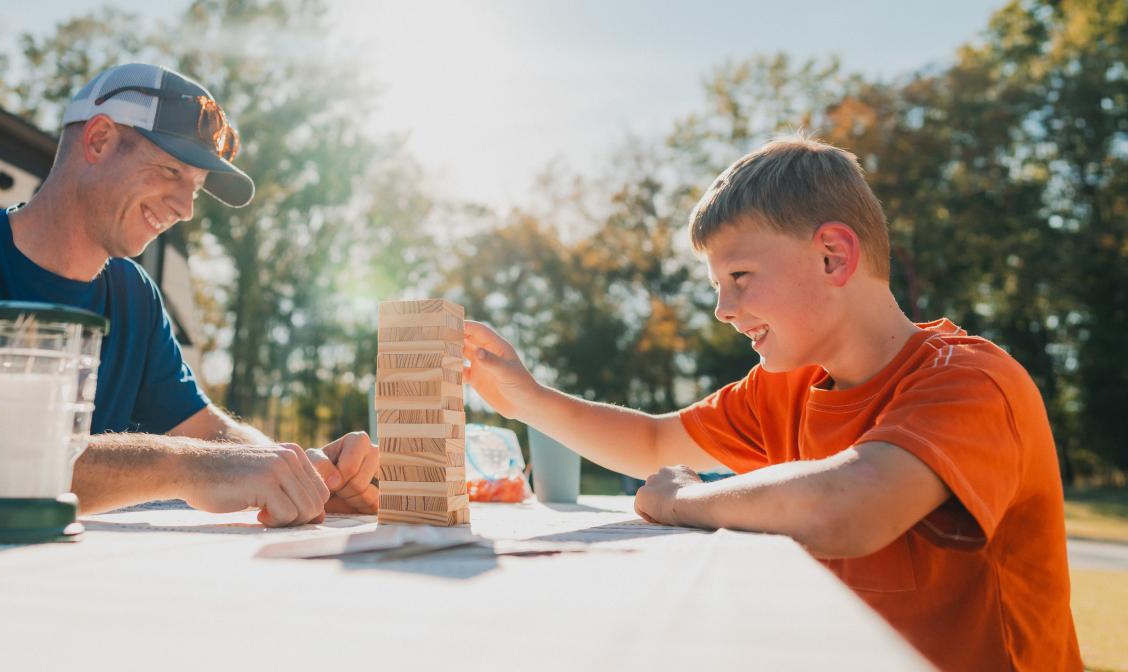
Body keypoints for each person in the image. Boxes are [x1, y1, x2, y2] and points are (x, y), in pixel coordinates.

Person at [463, 137, 1080, 671]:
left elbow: (854, 505)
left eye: (740, 278)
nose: (723, 311)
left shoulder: (970, 381)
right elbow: (653, 442)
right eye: (717, 287)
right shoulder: (784, 388)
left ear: (833, 256)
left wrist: (680, 500)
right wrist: (529, 400)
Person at [0, 62, 378, 526]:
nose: (183, 208)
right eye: (171, 172)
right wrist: (180, 468)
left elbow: (208, 434)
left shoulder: (132, 296)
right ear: (98, 140)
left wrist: (302, 470)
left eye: (196, 187)